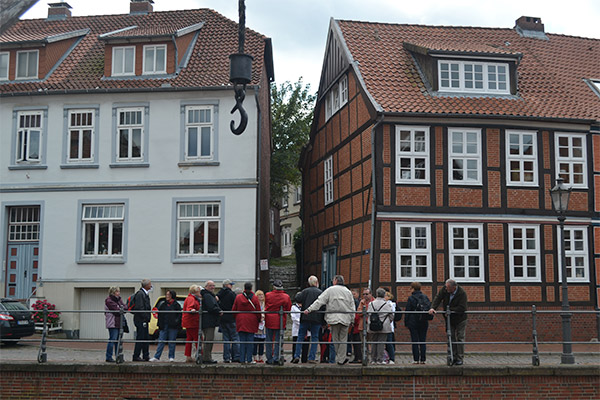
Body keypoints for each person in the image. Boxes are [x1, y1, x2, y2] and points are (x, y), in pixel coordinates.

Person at [304, 275, 355, 365]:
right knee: (343, 339)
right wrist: (352, 319)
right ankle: (341, 358)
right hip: (345, 317)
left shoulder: (330, 290)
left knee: (335, 338)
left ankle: (340, 357)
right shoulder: (348, 292)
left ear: (335, 281)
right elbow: (352, 306)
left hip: (333, 317)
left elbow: (319, 301)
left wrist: (309, 309)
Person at [429, 278, 468, 366]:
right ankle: (452, 357)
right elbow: (438, 297)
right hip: (449, 318)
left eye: (447, 288)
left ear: (453, 287)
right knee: (451, 337)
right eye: (445, 287)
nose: (445, 289)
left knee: (460, 338)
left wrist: (450, 310)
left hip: (460, 319)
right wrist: (433, 308)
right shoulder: (445, 289)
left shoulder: (461, 293)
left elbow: (462, 308)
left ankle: (460, 358)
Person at [291, 275, 323, 364]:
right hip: (316, 318)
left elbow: (297, 298)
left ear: (309, 283)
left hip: (305, 317)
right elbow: (323, 305)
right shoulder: (320, 292)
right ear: (317, 283)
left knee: (300, 336)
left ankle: (296, 355)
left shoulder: (305, 291)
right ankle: (311, 357)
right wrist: (323, 321)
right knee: (314, 337)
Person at [232, 282, 261, 364]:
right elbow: (258, 310)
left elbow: (234, 309)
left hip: (241, 319)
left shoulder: (238, 297)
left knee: (242, 341)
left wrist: (237, 317)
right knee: (250, 341)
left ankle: (242, 359)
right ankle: (249, 359)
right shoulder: (255, 298)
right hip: (251, 320)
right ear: (251, 288)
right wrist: (258, 319)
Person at [264, 279, 292, 365]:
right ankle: (277, 357)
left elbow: (266, 305)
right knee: (279, 340)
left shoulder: (268, 295)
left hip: (269, 319)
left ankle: (269, 358)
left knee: (269, 340)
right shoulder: (286, 297)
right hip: (280, 320)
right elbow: (288, 308)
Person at [149, 290, 181, 362]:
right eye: (166, 295)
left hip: (173, 326)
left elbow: (179, 315)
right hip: (164, 325)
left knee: (172, 341)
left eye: (168, 295)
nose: (167, 296)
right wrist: (159, 325)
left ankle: (171, 357)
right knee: (161, 341)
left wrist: (176, 322)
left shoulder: (176, 305)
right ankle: (157, 356)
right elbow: (160, 315)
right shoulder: (163, 304)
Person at [405, 281, 431, 364]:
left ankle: (416, 359)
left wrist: (406, 322)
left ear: (413, 289)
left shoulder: (411, 298)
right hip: (423, 321)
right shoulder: (425, 297)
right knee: (422, 340)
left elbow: (408, 311)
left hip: (413, 322)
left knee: (415, 341)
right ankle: (423, 359)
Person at [367, 288, 394, 364]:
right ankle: (380, 359)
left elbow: (369, 314)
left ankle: (373, 359)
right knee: (381, 342)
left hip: (373, 325)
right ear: (384, 295)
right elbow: (391, 316)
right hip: (384, 325)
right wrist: (388, 321)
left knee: (373, 342)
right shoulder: (387, 304)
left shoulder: (371, 304)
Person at [217, 279, 240, 363]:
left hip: (222, 318)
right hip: (231, 318)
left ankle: (226, 357)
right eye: (231, 284)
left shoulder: (219, 294)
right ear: (227, 285)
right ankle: (236, 357)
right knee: (235, 338)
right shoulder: (232, 294)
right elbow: (236, 305)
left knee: (226, 339)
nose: (232, 286)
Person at [201, 280, 223, 364]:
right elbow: (211, 307)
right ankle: (206, 358)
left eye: (213, 285)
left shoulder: (209, 295)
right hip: (208, 321)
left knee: (208, 339)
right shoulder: (207, 295)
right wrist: (218, 311)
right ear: (206, 286)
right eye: (210, 286)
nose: (213, 287)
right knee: (209, 339)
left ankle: (206, 357)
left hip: (209, 321)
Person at [132, 279, 152, 362]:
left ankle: (145, 355)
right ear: (146, 285)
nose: (151, 286)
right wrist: (145, 317)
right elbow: (140, 307)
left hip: (144, 319)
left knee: (145, 338)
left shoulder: (144, 294)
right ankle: (136, 355)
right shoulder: (140, 294)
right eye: (150, 284)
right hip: (141, 320)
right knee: (140, 337)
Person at [104, 286, 125, 362]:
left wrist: (121, 308)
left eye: (119, 291)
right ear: (113, 292)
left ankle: (117, 356)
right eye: (117, 291)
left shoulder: (119, 299)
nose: (118, 293)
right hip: (113, 322)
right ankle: (108, 356)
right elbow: (116, 310)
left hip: (119, 322)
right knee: (112, 339)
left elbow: (124, 307)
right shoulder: (109, 301)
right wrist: (121, 308)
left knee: (118, 340)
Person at [182, 284, 201, 363]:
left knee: (189, 339)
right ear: (196, 292)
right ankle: (199, 355)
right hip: (192, 322)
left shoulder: (191, 298)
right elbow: (189, 308)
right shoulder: (191, 299)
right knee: (198, 339)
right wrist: (192, 310)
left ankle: (188, 356)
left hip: (189, 322)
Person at [252, 290, 266, 363]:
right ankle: (254, 357)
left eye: (262, 295)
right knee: (255, 342)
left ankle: (261, 357)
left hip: (263, 325)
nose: (261, 296)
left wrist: (264, 317)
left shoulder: (265, 304)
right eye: (259, 295)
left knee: (261, 343)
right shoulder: (255, 304)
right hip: (256, 325)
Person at [384, 291, 396, 364]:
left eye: (385, 296)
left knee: (389, 343)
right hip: (385, 326)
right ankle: (386, 357)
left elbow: (392, 315)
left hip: (389, 326)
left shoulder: (391, 304)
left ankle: (392, 358)